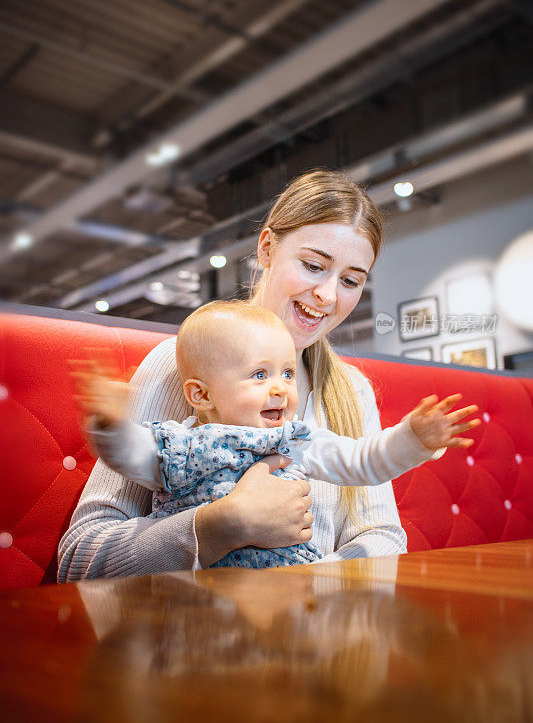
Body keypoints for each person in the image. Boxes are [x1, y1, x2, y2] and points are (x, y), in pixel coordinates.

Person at [57, 169, 474, 582]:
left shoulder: (353, 391)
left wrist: (301, 587)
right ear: (267, 248)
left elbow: (382, 535)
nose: (327, 296)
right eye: (313, 265)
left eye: (350, 280)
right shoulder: (179, 365)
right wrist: (218, 526)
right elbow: (80, 559)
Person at [73, 300, 478, 569]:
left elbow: (363, 461)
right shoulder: (182, 444)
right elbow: (133, 455)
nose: (281, 387)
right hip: (192, 601)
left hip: (291, 597)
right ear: (200, 394)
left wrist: (414, 439)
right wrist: (110, 425)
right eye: (259, 375)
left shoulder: (296, 440)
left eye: (286, 373)